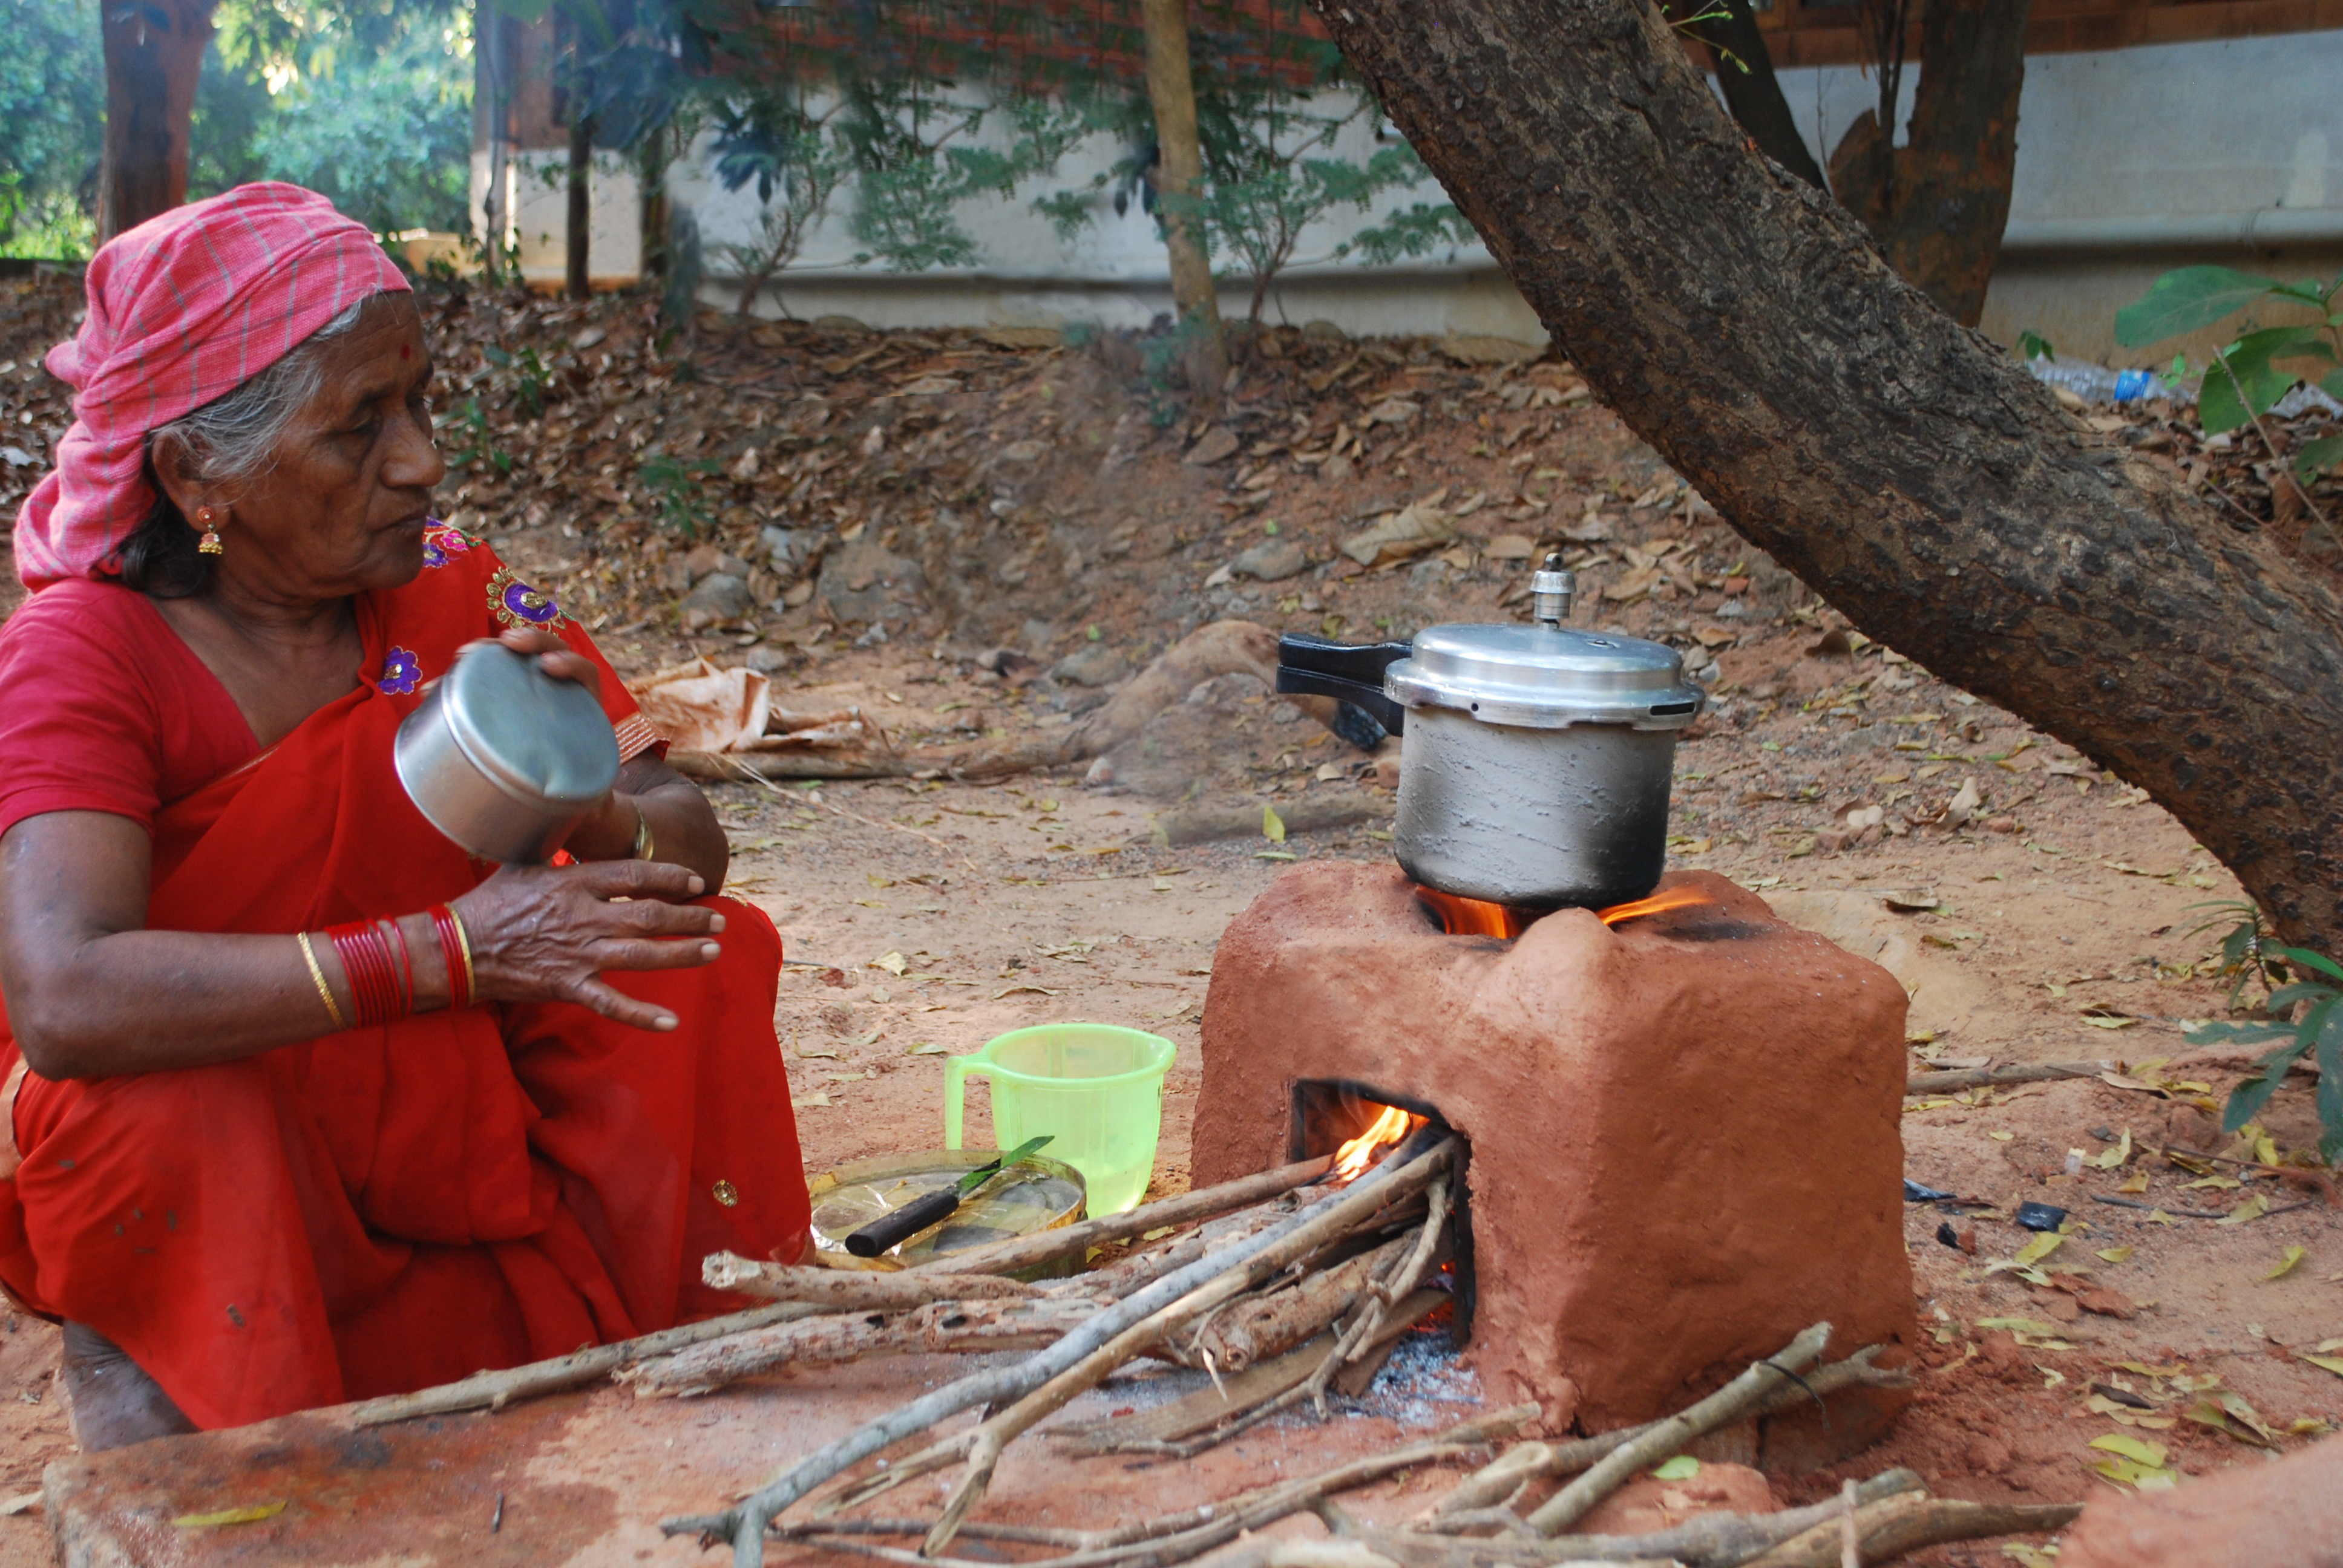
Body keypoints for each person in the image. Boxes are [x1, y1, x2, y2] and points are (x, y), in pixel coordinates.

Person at [0, 183, 811, 1449]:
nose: (422, 459)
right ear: (194, 474)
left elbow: (688, 848)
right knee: (164, 1117)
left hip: (450, 1091)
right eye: (358, 426)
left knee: (694, 966)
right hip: (239, 1095)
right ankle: (202, 1400)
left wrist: (589, 798)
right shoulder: (81, 654)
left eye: (420, 402)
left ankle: (654, 1378)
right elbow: (65, 998)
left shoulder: (456, 584)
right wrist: (447, 955)